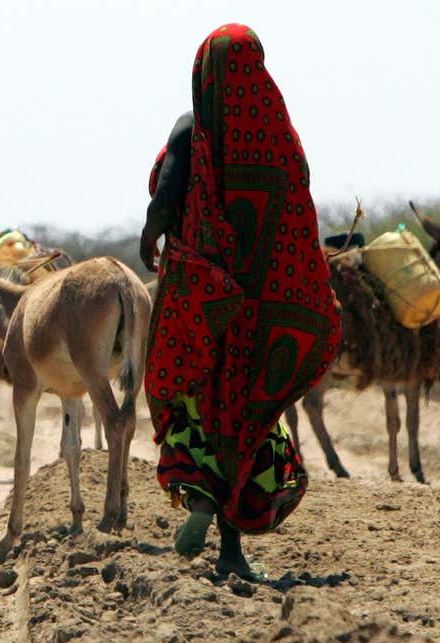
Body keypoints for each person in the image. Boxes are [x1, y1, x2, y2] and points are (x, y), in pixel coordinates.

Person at [139, 24, 342, 581]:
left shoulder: (192, 129)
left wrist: (151, 237)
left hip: (204, 304)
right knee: (248, 415)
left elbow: (166, 199)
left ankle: (201, 497)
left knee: (197, 398)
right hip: (260, 315)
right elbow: (299, 222)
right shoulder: (282, 139)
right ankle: (232, 549)